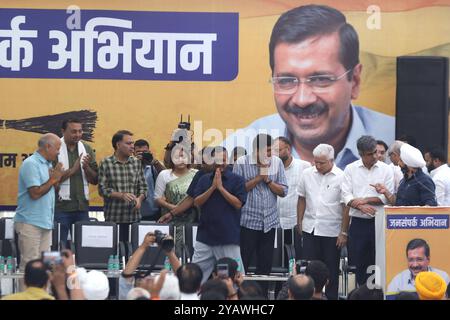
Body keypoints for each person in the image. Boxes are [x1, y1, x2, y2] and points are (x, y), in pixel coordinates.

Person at [223, 4, 394, 169]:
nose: (302, 100)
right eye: (286, 80)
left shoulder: (392, 139)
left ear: (355, 81)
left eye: (320, 79)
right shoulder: (241, 148)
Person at [297, 143, 349, 299]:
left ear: (331, 160)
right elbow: (301, 198)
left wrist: (343, 232)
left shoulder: (342, 176)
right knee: (309, 269)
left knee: (331, 271)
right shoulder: (307, 174)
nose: (317, 165)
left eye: (321, 162)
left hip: (332, 232)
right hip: (310, 228)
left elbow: (346, 207)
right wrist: (299, 222)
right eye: (315, 162)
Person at [233, 134, 288, 282]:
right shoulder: (241, 163)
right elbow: (237, 191)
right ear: (256, 150)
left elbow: (283, 191)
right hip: (248, 222)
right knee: (243, 263)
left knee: (265, 266)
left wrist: (268, 179)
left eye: (272, 151)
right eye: (267, 151)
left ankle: (262, 297)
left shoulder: (277, 163)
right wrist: (259, 177)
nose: (270, 155)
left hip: (269, 223)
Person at [341, 135, 393, 286]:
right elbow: (345, 195)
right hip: (358, 223)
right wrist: (359, 206)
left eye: (376, 152)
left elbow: (386, 197)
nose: (376, 156)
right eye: (371, 154)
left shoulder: (386, 169)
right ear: (361, 154)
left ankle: (378, 293)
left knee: (379, 262)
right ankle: (363, 292)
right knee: (360, 263)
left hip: (379, 223)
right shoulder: (351, 169)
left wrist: (365, 200)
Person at [192, 147, 247, 283]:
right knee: (194, 276)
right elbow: (197, 202)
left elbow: (238, 204)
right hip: (205, 236)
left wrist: (221, 188)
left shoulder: (238, 180)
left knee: (235, 277)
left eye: (223, 159)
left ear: (227, 160)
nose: (220, 163)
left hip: (228, 237)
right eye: (217, 160)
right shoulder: (204, 179)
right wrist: (212, 188)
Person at [14, 133, 64, 273]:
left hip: (46, 223)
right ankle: (27, 295)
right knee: (29, 266)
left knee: (46, 267)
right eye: (57, 148)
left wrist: (56, 180)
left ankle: (43, 295)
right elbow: (35, 193)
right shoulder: (31, 164)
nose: (59, 152)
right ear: (48, 147)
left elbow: (51, 190)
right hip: (30, 223)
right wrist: (53, 179)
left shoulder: (48, 164)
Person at [55, 119, 98, 248]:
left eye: (80, 131)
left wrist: (86, 168)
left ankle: (80, 269)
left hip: (82, 208)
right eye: (73, 131)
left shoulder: (86, 148)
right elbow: (51, 180)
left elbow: (95, 180)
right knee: (58, 247)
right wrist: (73, 170)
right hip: (60, 208)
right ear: (63, 131)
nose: (78, 135)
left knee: (84, 247)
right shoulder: (55, 148)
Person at [98, 130, 147, 242]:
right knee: (115, 253)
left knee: (134, 252)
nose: (132, 146)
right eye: (128, 143)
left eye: (132, 143)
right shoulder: (106, 163)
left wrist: (139, 199)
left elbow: (144, 188)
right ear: (118, 145)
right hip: (114, 218)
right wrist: (121, 195)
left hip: (134, 218)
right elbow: (102, 189)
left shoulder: (136, 163)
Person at [154, 142, 198, 256]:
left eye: (183, 156)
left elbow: (197, 197)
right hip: (169, 220)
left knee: (190, 252)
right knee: (170, 253)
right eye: (177, 156)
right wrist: (173, 208)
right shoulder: (164, 174)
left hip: (191, 220)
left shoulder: (196, 175)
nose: (180, 160)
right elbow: (157, 199)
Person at [273, 137, 310, 260]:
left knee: (298, 260)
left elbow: (307, 195)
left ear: (288, 149)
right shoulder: (270, 169)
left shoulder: (304, 166)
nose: (274, 154)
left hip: (296, 224)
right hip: (275, 225)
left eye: (278, 150)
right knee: (277, 260)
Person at [119, 232, 181, 300]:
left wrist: (143, 246)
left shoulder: (131, 296)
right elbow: (182, 278)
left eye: (152, 281)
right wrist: (169, 251)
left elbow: (126, 275)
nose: (148, 278)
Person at [373, 143, 437, 206]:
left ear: (408, 163)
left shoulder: (424, 181)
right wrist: (385, 192)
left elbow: (430, 206)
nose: (399, 163)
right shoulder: (404, 181)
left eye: (401, 161)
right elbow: (398, 203)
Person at [133, 139, 165, 221]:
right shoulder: (129, 166)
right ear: (133, 153)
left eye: (144, 152)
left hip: (153, 212)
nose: (142, 154)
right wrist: (136, 163)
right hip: (133, 212)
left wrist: (155, 162)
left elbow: (166, 176)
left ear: (149, 152)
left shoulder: (154, 165)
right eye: (138, 152)